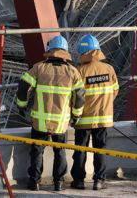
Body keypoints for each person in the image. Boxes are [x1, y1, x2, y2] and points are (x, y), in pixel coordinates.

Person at [16, 35, 85, 191]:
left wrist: (22, 106)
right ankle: (58, 182)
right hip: (61, 122)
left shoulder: (38, 68)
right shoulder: (72, 72)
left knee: (36, 152)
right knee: (59, 152)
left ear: (49, 50)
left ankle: (34, 182)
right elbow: (80, 97)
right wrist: (76, 115)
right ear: (65, 51)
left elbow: (23, 87)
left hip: (39, 121)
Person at [70, 34, 119, 191]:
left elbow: (75, 95)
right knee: (100, 150)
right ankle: (99, 180)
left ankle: (79, 180)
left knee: (80, 150)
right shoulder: (109, 69)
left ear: (84, 52)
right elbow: (115, 91)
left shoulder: (80, 71)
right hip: (103, 118)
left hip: (84, 119)